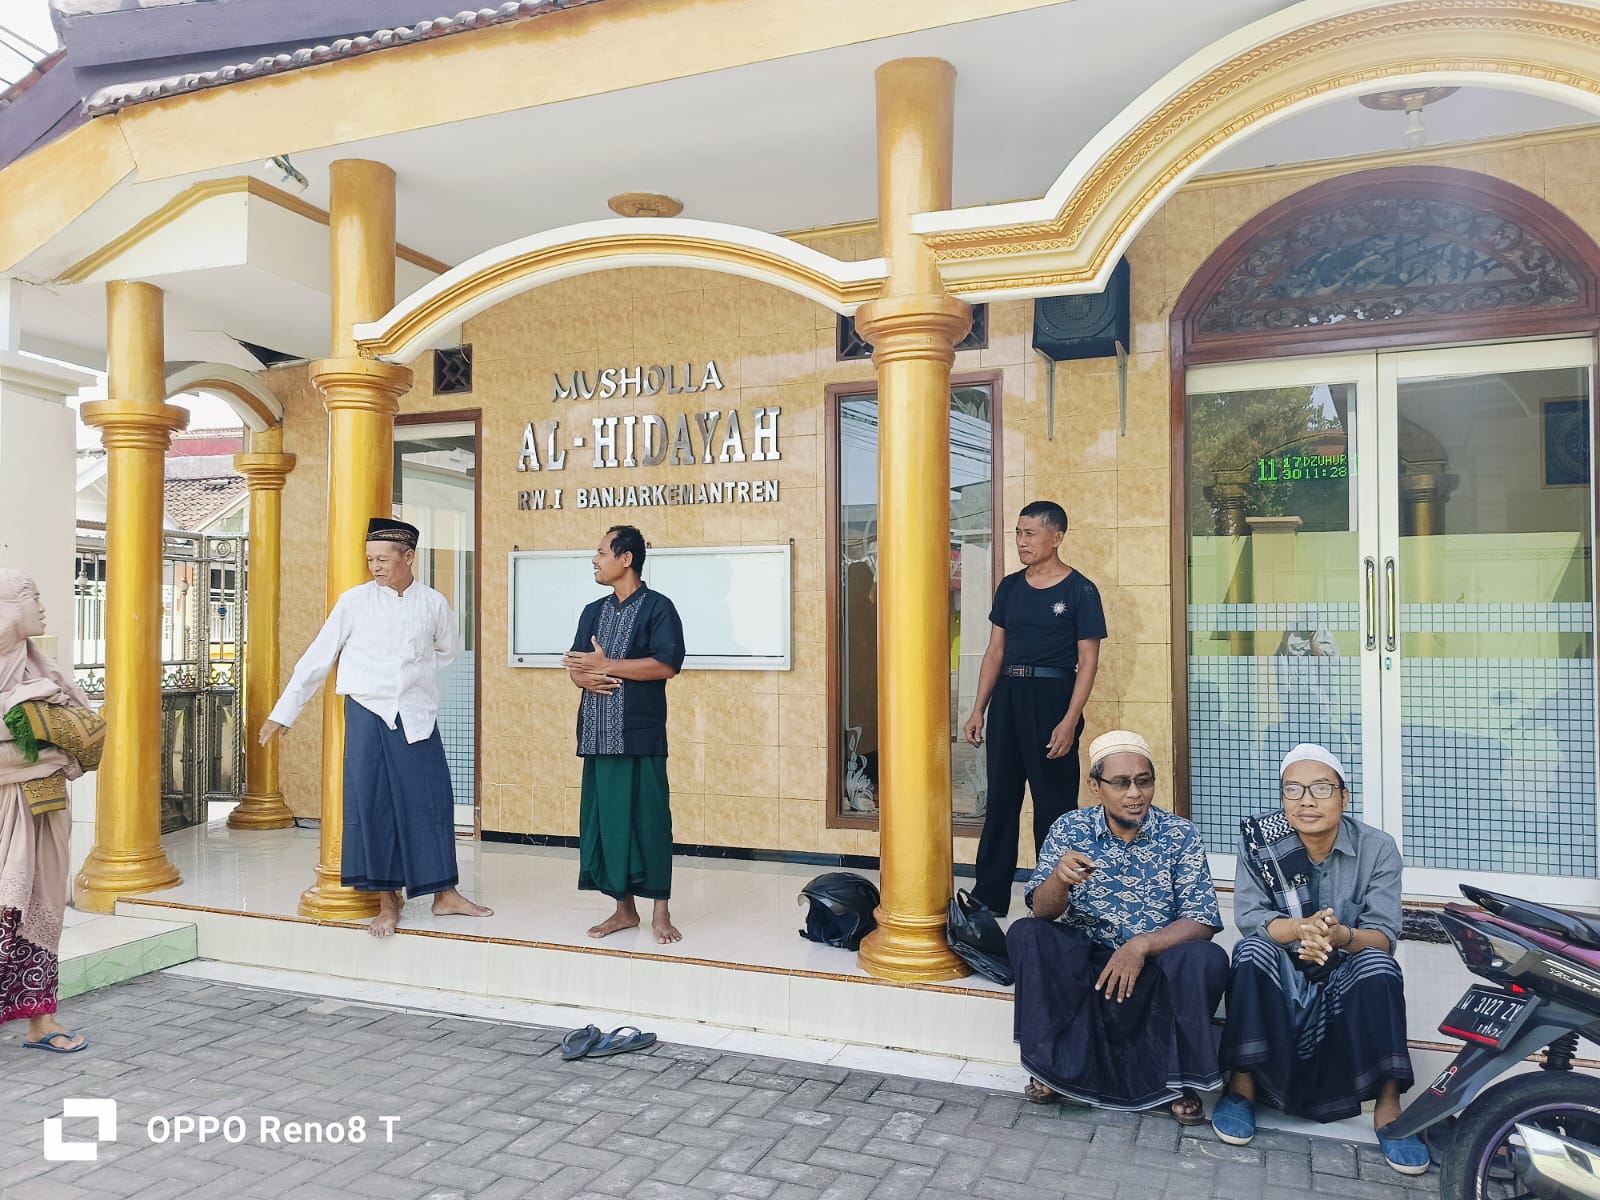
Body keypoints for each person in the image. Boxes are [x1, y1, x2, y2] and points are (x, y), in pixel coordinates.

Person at [260, 518, 491, 938]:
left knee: (432, 802)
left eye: (383, 559)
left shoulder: (434, 603)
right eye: (370, 559)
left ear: (409, 557)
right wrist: (284, 712)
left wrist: (414, 678)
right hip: (367, 714)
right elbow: (317, 657)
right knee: (374, 805)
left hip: (417, 716)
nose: (375, 567)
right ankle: (387, 903)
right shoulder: (354, 602)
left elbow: (448, 650)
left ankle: (446, 894)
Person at [1212, 744, 1428, 1175]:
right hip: (1285, 966)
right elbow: (1253, 919)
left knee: (1381, 967)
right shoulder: (1262, 843)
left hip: (1346, 964)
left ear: (1344, 797)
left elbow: (1382, 937)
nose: (1306, 801)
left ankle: (1389, 1105)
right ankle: (1241, 1088)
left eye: (1321, 788)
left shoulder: (1378, 848)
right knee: (1250, 951)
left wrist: (1338, 935)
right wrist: (1301, 930)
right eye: (1293, 789)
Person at [1006, 731, 1228, 1122]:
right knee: (1027, 935)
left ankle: (1176, 1080)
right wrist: (1059, 880)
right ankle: (1051, 1067)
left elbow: (1202, 919)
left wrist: (1141, 946)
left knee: (1206, 958)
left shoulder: (1180, 835)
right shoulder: (1070, 829)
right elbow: (1041, 912)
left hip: (1155, 964)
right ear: (1095, 786)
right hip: (1087, 963)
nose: (1135, 794)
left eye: (1144, 781)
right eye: (1121, 783)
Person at [963, 500, 1105, 915]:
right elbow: (994, 651)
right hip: (1008, 695)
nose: (1021, 541)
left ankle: (1055, 898)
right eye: (1018, 533)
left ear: (1056, 537)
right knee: (1001, 799)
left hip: (1053, 699)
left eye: (1030, 533)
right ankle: (988, 896)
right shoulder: (1009, 587)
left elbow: (1088, 662)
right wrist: (978, 710)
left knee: (1054, 807)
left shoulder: (1080, 590)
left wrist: (1070, 719)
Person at [562, 525, 686, 944]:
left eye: (601, 552)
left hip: (641, 736)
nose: (594, 560)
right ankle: (623, 910)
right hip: (598, 737)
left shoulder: (658, 608)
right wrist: (586, 677)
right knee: (608, 823)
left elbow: (665, 665)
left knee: (649, 822)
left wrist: (607, 666)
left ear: (626, 559)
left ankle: (661, 912)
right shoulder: (591, 611)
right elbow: (580, 666)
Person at [0, 570, 102, 1053]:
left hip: (42, 809)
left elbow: (87, 732)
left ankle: (41, 1021)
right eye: (30, 597)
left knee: (40, 912)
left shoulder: (39, 665)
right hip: (7, 810)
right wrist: (41, 748)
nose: (41, 606)